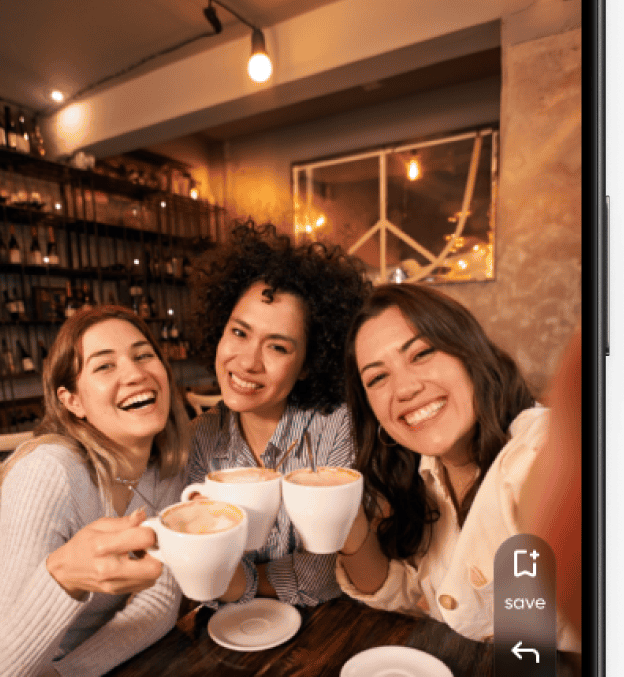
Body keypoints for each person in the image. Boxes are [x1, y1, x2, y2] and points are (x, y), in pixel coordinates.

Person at [335, 283, 579, 648]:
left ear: (469, 354)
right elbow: (414, 592)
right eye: (378, 377)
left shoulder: (533, 454)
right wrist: (347, 526)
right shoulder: (426, 475)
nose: (404, 389)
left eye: (421, 354)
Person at [0, 304, 191, 677]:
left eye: (143, 355)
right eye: (105, 365)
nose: (135, 373)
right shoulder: (50, 473)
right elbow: (0, 668)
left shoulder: (169, 471)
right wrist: (62, 575)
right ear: (72, 401)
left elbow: (160, 598)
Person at [186, 220, 369, 606]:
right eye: (239, 333)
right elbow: (197, 558)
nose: (248, 362)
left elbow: (325, 573)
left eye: (278, 347)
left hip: (323, 630)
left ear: (307, 363)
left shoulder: (335, 427)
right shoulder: (201, 435)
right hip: (223, 630)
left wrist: (237, 581)